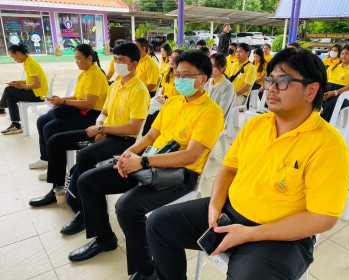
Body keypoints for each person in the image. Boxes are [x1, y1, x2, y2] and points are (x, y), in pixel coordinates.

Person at [146, 48, 349, 280]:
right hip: (229, 211)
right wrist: (215, 207)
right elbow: (228, 168)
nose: (271, 89)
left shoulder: (329, 146)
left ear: (312, 90)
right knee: (158, 224)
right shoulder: (257, 125)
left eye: (283, 81)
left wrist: (249, 234)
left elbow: (322, 218)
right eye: (270, 80)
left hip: (279, 236)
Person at [68, 51, 224, 280]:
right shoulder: (172, 103)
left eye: (187, 75)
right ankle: (104, 238)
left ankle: (145, 270)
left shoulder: (211, 111)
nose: (179, 79)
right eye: (177, 74)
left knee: (127, 207)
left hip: (180, 175)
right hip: (149, 161)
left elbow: (190, 156)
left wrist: (141, 161)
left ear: (203, 78)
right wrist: (127, 154)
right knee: (88, 181)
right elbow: (150, 136)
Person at [28, 43, 150, 232]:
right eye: (115, 59)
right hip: (106, 131)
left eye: (122, 60)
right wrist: (99, 127)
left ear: (134, 64)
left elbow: (133, 127)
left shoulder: (139, 90)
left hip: (124, 140)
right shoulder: (116, 85)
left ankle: (85, 212)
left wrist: (103, 128)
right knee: (55, 141)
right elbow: (104, 111)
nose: (117, 64)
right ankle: (57, 189)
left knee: (84, 156)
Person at [29, 44, 108, 180]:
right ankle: (46, 158)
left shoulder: (94, 74)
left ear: (89, 58)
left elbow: (89, 102)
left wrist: (63, 102)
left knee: (50, 128)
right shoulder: (84, 73)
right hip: (83, 110)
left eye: (79, 58)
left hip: (92, 116)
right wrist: (61, 99)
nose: (77, 62)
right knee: (41, 121)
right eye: (75, 59)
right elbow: (79, 97)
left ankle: (56, 169)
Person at [0, 43, 48, 135]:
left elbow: (37, 84)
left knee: (8, 90)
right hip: (35, 92)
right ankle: (16, 125)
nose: (14, 59)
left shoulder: (31, 64)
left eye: (13, 57)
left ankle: (1, 108)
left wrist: (22, 86)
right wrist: (19, 82)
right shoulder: (27, 62)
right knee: (11, 98)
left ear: (18, 53)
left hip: (38, 94)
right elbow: (30, 80)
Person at [142, 49, 184, 135]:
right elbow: (163, 91)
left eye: (176, 58)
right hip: (163, 100)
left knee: (151, 116)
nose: (172, 60)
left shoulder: (184, 79)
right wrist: (160, 97)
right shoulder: (167, 75)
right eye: (171, 57)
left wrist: (165, 102)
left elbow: (182, 99)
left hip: (174, 104)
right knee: (144, 111)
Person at [321, 44, 349, 122]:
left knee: (330, 106)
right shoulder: (333, 67)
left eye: (347, 54)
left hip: (343, 93)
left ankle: (325, 126)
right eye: (342, 53)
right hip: (328, 88)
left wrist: (335, 92)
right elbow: (324, 80)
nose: (344, 56)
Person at [205, 53, 235, 119]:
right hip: (205, 116)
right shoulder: (207, 82)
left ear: (223, 68)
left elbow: (221, 110)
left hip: (217, 119)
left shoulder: (228, 86)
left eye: (214, 66)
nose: (210, 68)